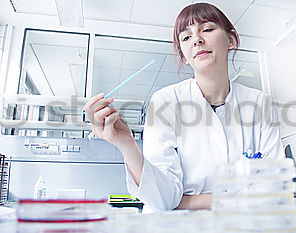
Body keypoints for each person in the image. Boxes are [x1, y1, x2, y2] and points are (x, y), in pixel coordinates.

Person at [84, 2, 284, 211]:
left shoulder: (259, 103)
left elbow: (276, 188)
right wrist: (127, 146)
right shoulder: (165, 101)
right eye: (186, 37)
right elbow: (163, 199)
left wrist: (187, 202)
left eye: (207, 29)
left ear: (231, 39)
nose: (197, 40)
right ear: (183, 55)